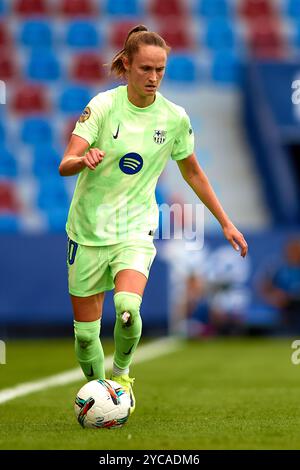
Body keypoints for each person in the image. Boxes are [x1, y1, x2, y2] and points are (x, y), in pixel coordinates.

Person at [58, 24, 248, 415]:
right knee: (85, 337)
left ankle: (123, 377)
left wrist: (226, 222)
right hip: (88, 230)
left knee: (128, 307)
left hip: (134, 228)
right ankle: (99, 397)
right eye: (146, 68)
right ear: (126, 65)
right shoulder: (103, 107)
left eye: (160, 69)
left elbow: (193, 172)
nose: (154, 77)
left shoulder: (174, 117)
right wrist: (84, 159)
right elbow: (65, 163)